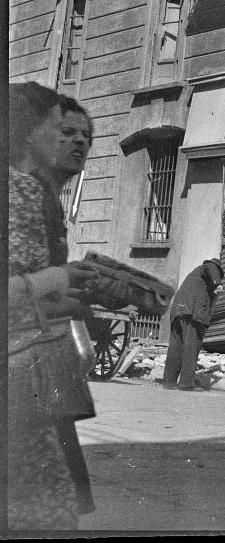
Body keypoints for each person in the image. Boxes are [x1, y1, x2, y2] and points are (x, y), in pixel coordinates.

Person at [7, 83, 99, 530]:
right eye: (63, 129)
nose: (78, 142)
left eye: (85, 135)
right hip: (21, 370)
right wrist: (60, 280)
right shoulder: (23, 192)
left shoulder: (44, 194)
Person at [162, 258, 225, 391]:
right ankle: (186, 383)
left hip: (178, 311)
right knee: (191, 347)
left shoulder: (196, 276)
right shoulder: (209, 267)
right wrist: (217, 284)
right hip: (192, 313)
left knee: (176, 347)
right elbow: (211, 268)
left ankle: (169, 382)